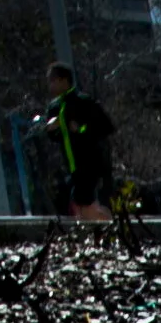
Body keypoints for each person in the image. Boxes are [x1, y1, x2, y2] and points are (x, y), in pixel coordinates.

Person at [35, 61, 119, 224]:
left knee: (80, 202)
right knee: (81, 208)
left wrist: (81, 129)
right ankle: (109, 225)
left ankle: (110, 226)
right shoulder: (54, 107)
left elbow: (106, 127)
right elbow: (55, 137)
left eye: (53, 80)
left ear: (63, 80)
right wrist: (52, 129)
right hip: (71, 165)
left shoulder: (84, 102)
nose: (50, 85)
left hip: (89, 162)